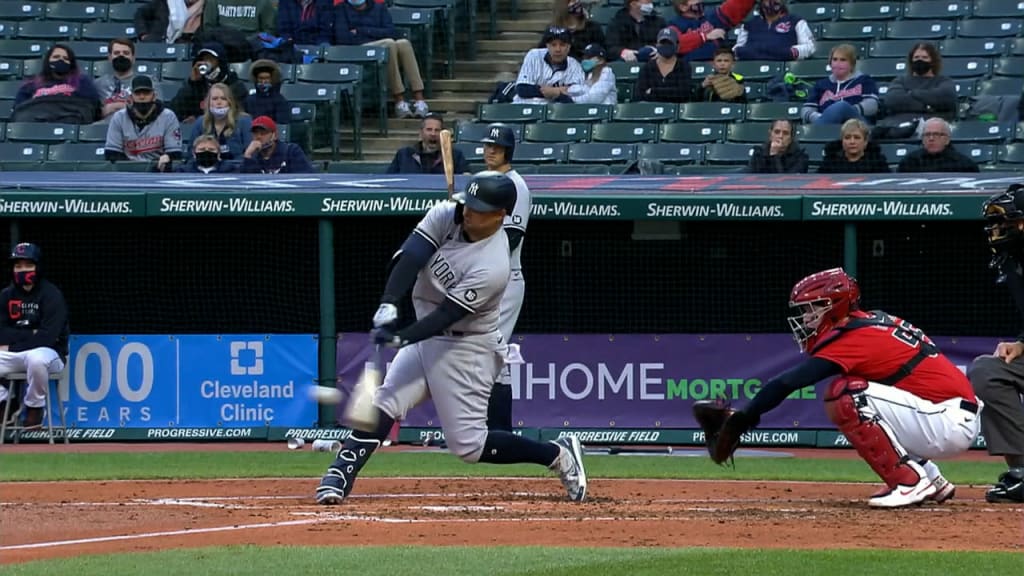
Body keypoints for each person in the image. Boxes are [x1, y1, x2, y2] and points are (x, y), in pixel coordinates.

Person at [315, 171, 586, 505]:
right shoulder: (448, 212)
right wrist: (388, 304)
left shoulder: (494, 266)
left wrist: (400, 338)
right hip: (426, 335)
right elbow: (411, 255)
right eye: (469, 203)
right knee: (386, 401)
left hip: (467, 347)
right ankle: (339, 473)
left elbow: (445, 315)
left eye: (480, 208)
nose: (469, 212)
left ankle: (557, 455)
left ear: (501, 215)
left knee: (469, 446)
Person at [710, 267, 980, 507]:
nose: (806, 319)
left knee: (846, 393)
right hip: (943, 414)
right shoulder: (872, 322)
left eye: (812, 309)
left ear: (835, 306)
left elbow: (789, 382)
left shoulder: (855, 335)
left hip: (948, 421)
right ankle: (931, 478)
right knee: (863, 393)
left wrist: (744, 418)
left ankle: (909, 481)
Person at [967, 185, 1024, 504]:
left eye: (1003, 221)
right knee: (988, 371)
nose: (995, 229)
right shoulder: (1014, 261)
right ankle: (1023, 473)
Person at [478, 125, 532, 432]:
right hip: (484, 280)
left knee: (492, 351)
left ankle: (499, 431)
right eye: (488, 146)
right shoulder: (483, 182)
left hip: (506, 280)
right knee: (482, 353)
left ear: (507, 151)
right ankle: (491, 430)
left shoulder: (516, 187)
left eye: (496, 148)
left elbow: (511, 236)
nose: (489, 151)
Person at [0, 243, 69, 430]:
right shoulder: (6, 295)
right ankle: (5, 403)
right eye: (18, 266)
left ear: (38, 267)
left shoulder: (51, 295)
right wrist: (30, 333)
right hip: (17, 356)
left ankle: (34, 409)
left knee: (36, 358)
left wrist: (12, 344)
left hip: (51, 354)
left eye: (28, 265)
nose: (22, 270)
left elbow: (48, 337)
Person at [332, 0, 429, 119]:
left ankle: (419, 99)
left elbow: (391, 32)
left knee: (403, 43)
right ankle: (399, 100)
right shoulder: (341, 9)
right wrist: (375, 35)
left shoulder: (379, 8)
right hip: (357, 51)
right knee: (388, 44)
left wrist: (361, 31)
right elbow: (343, 38)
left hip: (380, 45)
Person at [104, 75, 183, 172]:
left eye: (146, 93)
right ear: (131, 97)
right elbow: (111, 153)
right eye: (137, 93)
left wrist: (167, 158)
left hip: (159, 171)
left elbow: (175, 153)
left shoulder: (168, 117)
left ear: (154, 96)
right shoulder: (119, 117)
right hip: (127, 173)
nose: (142, 97)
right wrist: (134, 168)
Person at [12, 44, 101, 124]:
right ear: (48, 61)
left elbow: (90, 107)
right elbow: (20, 109)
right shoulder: (31, 85)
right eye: (56, 57)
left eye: (65, 58)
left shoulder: (82, 82)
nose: (60, 60)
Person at [880, 43, 957, 127]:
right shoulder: (900, 81)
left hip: (932, 126)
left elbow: (946, 98)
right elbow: (892, 100)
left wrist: (912, 93)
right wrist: (928, 107)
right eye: (916, 57)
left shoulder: (943, 81)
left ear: (933, 61)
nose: (920, 60)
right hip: (900, 126)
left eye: (925, 57)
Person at [169, 42, 249, 122]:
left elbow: (238, 115)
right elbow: (175, 111)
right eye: (204, 59)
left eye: (210, 59)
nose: (206, 63)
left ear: (220, 62)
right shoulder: (195, 84)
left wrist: (199, 120)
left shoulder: (236, 86)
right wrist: (192, 83)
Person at [801, 44, 879, 125]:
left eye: (843, 60)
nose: (837, 63)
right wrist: (819, 116)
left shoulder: (864, 80)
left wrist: (846, 111)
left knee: (841, 106)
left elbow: (872, 105)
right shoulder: (821, 85)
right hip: (827, 124)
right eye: (835, 59)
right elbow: (806, 109)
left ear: (852, 64)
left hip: (856, 125)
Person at [513, 26, 584, 105]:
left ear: (569, 47)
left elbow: (578, 95)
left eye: (562, 45)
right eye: (553, 45)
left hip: (557, 112)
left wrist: (555, 93)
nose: (558, 49)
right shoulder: (534, 55)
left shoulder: (575, 66)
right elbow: (522, 89)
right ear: (547, 45)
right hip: (526, 106)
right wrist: (555, 91)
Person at [668, 0, 756, 62]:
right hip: (690, 67)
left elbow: (736, 7)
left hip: (719, 65)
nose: (700, 1)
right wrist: (704, 36)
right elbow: (674, 44)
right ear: (683, 7)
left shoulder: (713, 16)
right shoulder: (675, 25)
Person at [96, 38, 162, 119]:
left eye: (126, 53)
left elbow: (157, 110)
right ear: (109, 58)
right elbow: (92, 114)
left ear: (133, 58)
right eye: (116, 53)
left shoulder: (148, 81)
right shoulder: (98, 84)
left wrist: (114, 106)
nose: (121, 56)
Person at [386, 114, 469, 175]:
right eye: (429, 129)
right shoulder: (404, 154)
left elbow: (465, 180)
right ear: (421, 132)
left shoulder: (455, 155)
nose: (433, 134)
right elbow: (389, 180)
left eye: (437, 130)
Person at [733, 0, 815, 61]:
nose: (772, 2)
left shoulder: (796, 21)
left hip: (785, 67)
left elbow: (809, 47)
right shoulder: (749, 24)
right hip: (752, 67)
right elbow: (738, 49)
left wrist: (788, 52)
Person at [189, 82, 252, 160]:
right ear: (208, 102)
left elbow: (251, 152)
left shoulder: (244, 121)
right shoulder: (200, 122)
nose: (219, 102)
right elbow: (191, 152)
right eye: (215, 99)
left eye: (223, 99)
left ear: (230, 102)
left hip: (236, 169)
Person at [897, 118, 979, 173]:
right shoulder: (909, 162)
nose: (931, 138)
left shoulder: (965, 165)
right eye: (927, 134)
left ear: (947, 139)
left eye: (937, 134)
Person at [241, 115, 316, 173]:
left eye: (263, 133)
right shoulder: (252, 156)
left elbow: (307, 176)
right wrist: (247, 156)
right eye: (255, 133)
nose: (258, 137)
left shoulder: (291, 152)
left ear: (275, 135)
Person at [635, 27, 692, 103]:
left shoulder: (684, 67)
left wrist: (653, 91)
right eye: (663, 43)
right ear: (657, 45)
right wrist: (669, 92)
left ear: (677, 46)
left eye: (669, 43)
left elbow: (683, 94)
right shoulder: (647, 68)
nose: (666, 46)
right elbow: (640, 96)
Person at [537, 0, 606, 62]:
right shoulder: (552, 30)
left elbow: (602, 52)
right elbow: (542, 52)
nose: (577, 2)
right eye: (572, 1)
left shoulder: (593, 27)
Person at [817, 118, 890, 173]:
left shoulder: (877, 161)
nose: (852, 142)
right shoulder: (831, 161)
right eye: (847, 138)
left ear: (865, 141)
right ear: (842, 141)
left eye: (857, 138)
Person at [243, 59, 292, 125]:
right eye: (261, 78)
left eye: (266, 78)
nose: (263, 81)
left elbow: (282, 123)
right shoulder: (249, 100)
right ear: (256, 79)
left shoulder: (280, 100)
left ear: (272, 79)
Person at [175, 134, 241, 173]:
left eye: (211, 149)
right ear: (194, 153)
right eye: (202, 149)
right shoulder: (183, 170)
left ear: (218, 154)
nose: (206, 152)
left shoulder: (230, 170)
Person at [202, 0, 276, 35]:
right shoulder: (214, 1)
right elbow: (208, 27)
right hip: (222, 42)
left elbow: (270, 29)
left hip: (252, 45)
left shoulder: (263, 2)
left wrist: (256, 39)